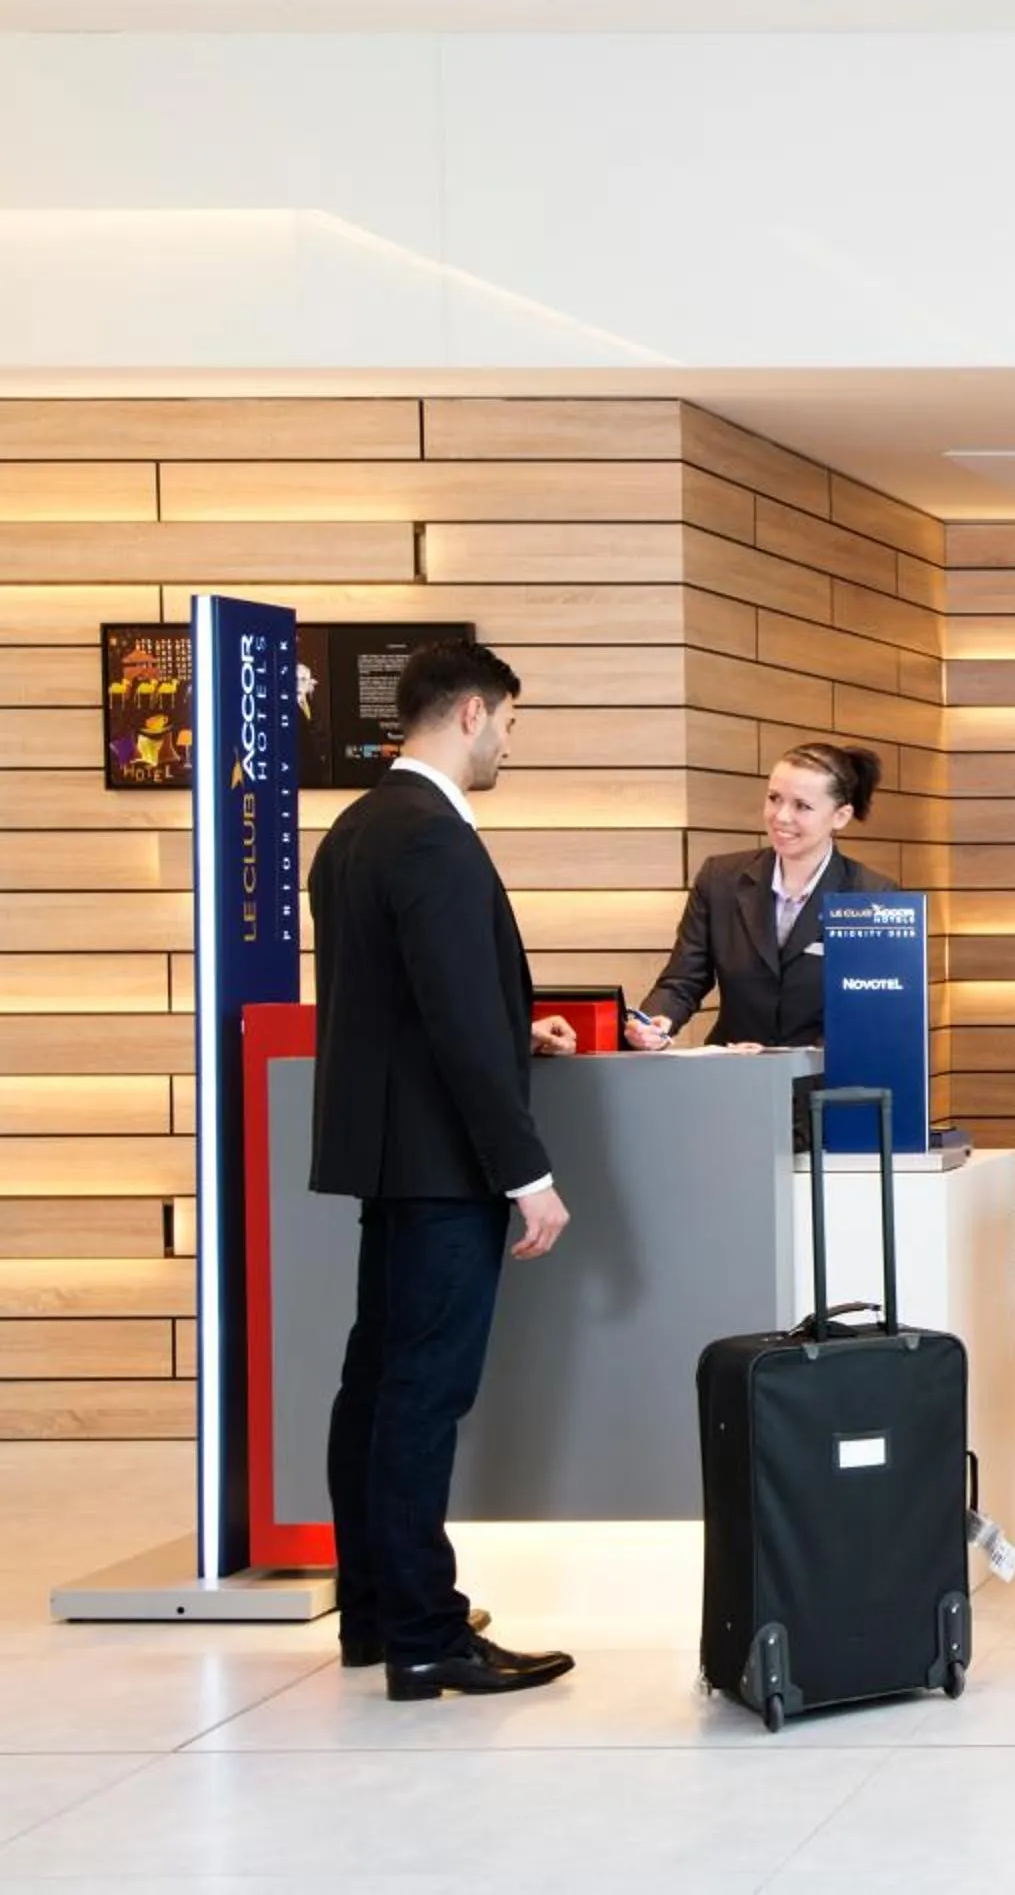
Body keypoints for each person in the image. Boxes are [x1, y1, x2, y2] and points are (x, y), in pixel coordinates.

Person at [309, 639, 578, 1700]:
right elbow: (456, 1023)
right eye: (509, 720)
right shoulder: (433, 836)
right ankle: (426, 1632)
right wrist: (526, 1172)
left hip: (390, 1157)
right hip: (443, 1165)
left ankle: (377, 1611)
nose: (509, 741)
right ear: (472, 712)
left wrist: (518, 1030)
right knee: (424, 1393)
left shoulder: (357, 828)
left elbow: (408, 1006)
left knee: (377, 1384)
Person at [628, 741, 893, 1050]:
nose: (781, 816)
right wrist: (656, 1023)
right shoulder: (719, 878)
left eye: (802, 806)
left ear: (841, 816)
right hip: (734, 1069)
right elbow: (682, 980)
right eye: (774, 798)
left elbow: (868, 1010)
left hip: (825, 1073)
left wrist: (783, 1057)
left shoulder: (873, 896)